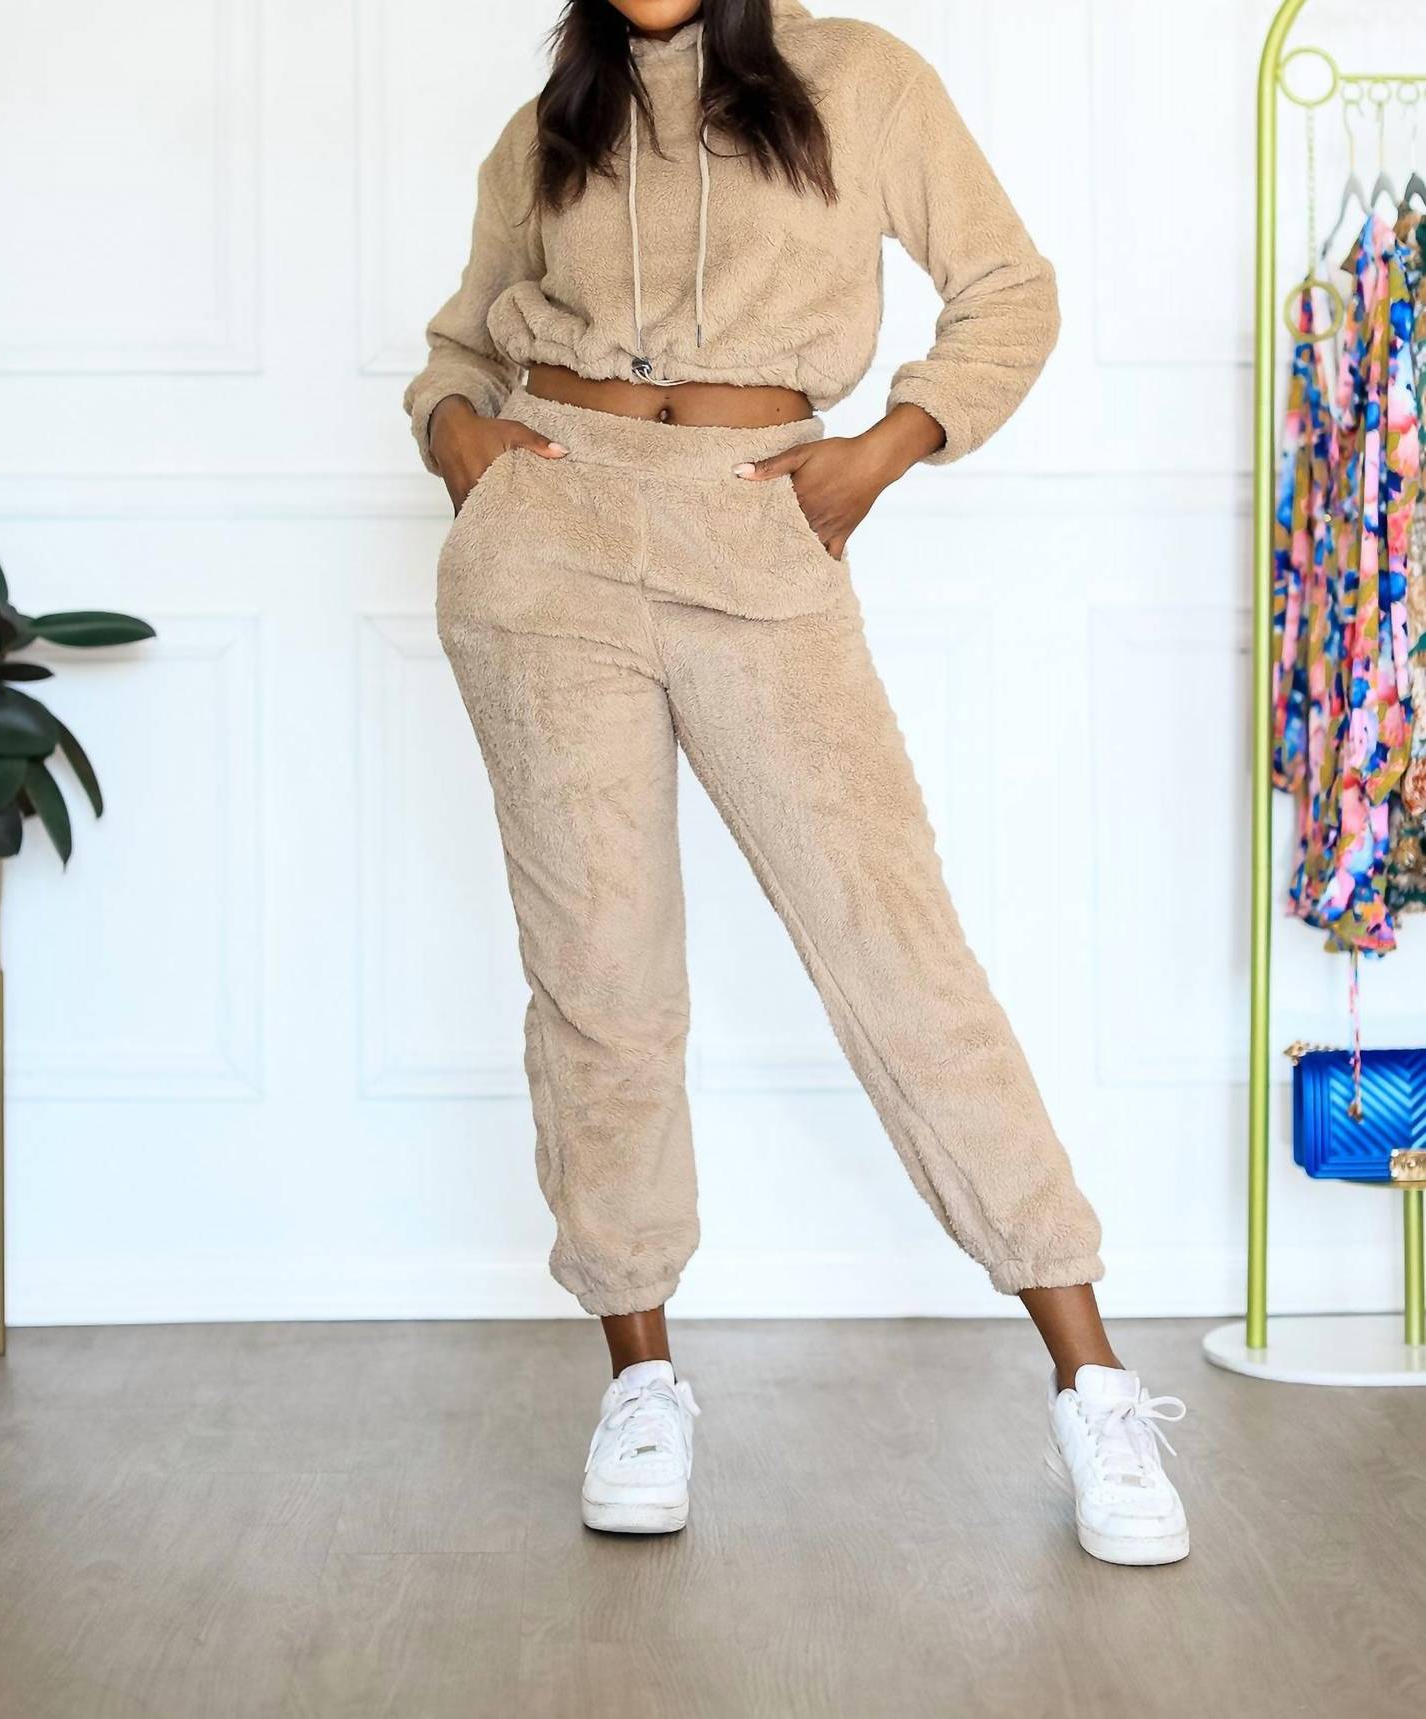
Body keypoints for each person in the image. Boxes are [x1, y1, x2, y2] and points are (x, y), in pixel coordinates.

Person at [406, 0, 1189, 1566]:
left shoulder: (863, 80)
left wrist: (889, 445)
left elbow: (1010, 289)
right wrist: (457, 439)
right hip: (549, 552)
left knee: (900, 958)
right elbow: (460, 344)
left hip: (761, 531)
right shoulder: (550, 125)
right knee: (601, 982)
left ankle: (1094, 1383)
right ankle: (641, 1382)